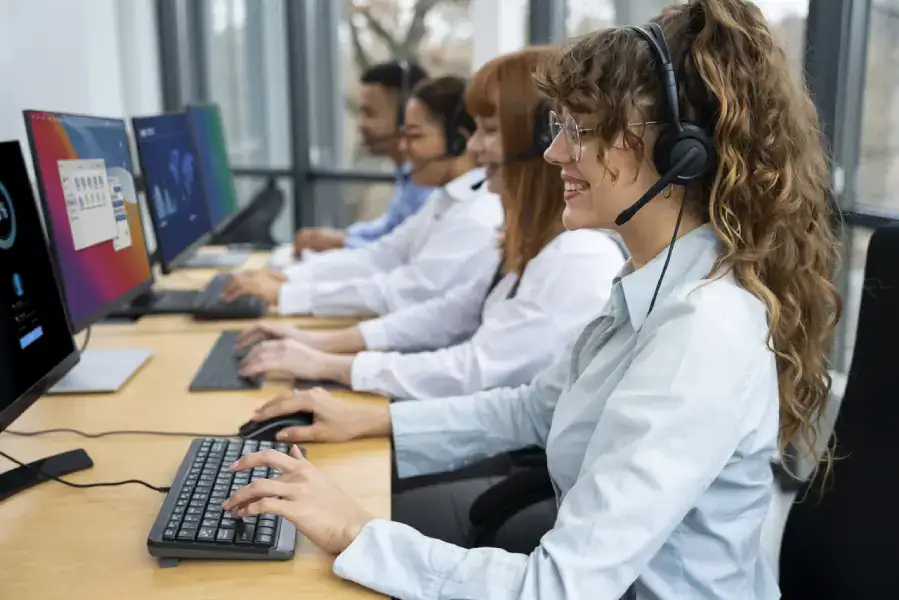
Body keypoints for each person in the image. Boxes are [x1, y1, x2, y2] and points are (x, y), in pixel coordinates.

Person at [222, 1, 842, 598]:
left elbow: (556, 588)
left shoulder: (700, 331)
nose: (553, 153)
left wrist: (354, 531)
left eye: (582, 130)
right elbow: (535, 408)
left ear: (679, 153)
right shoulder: (652, 283)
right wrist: (372, 418)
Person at [232, 47, 625, 401]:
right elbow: (447, 313)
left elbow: (473, 369)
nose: (473, 147)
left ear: (539, 145)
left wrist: (330, 363)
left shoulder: (574, 258)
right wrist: (315, 345)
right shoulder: (529, 242)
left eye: (488, 132)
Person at [221, 76, 504, 317]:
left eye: (414, 136)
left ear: (459, 141)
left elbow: (404, 292)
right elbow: (380, 256)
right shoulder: (446, 198)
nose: (403, 147)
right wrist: (286, 278)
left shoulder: (475, 216)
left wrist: (288, 294)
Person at [290, 61, 434, 256]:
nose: (360, 125)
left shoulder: (427, 184)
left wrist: (341, 242)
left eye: (370, 113)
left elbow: (399, 253)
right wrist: (340, 236)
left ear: (406, 117)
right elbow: (388, 227)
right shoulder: (408, 175)